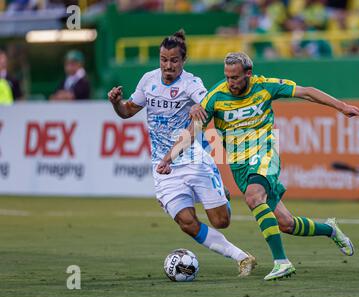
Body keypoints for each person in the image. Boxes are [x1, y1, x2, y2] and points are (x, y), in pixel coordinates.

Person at [157, 52, 359, 281]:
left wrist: (342, 106)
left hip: (265, 152)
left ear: (248, 73)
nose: (231, 82)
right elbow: (192, 131)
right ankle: (330, 229)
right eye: (227, 77)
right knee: (286, 224)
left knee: (253, 197)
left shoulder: (265, 86)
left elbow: (306, 92)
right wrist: (168, 157)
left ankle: (282, 262)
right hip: (239, 165)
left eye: (235, 77)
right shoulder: (216, 96)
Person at [107, 31, 256, 277]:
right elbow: (127, 112)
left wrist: (200, 106)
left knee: (221, 221)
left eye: (174, 60)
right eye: (164, 60)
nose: (168, 66)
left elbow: (206, 109)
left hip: (194, 160)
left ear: (183, 61)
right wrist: (116, 103)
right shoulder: (148, 81)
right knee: (186, 222)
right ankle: (241, 257)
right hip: (163, 167)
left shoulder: (192, 84)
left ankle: (219, 190)